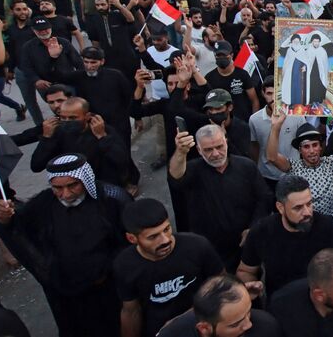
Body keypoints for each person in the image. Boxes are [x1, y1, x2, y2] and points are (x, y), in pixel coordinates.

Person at [0, 154, 131, 337]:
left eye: (72, 185)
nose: (65, 194)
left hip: (107, 292)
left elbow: (131, 243)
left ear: (84, 179)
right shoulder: (44, 203)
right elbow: (19, 230)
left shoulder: (111, 200)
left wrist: (106, 270)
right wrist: (5, 220)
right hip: (67, 297)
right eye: (57, 188)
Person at [114, 198, 224, 337]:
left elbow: (223, 287)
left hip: (201, 326)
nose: (165, 240)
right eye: (153, 237)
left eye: (166, 229)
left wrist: (183, 320)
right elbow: (131, 311)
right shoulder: (124, 265)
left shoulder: (197, 246)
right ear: (132, 239)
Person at [169, 124, 271, 271]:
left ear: (226, 142)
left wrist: (253, 228)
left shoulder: (246, 166)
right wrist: (180, 153)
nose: (216, 154)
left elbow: (264, 198)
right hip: (210, 250)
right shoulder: (192, 170)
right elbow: (175, 178)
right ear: (198, 150)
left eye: (219, 146)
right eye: (208, 150)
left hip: (244, 247)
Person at [236, 175, 333, 300]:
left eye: (309, 204)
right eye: (298, 208)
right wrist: (250, 286)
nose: (307, 212)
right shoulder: (261, 232)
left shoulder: (326, 226)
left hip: (324, 302)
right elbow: (246, 271)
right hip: (282, 305)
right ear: (280, 208)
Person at [267, 112, 333, 221]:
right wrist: (276, 127)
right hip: (304, 225)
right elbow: (272, 157)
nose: (312, 151)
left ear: (320, 147)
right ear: (300, 150)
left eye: (315, 145)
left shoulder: (331, 163)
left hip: (330, 226)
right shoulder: (293, 166)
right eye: (306, 147)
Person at [31, 96, 129, 187]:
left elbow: (121, 160)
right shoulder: (58, 133)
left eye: (73, 118)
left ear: (87, 116)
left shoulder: (103, 130)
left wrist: (102, 137)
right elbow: (36, 165)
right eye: (63, 118)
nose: (67, 121)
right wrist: (46, 138)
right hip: (71, 186)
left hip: (101, 185)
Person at [157, 274, 277, 337]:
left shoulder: (266, 328)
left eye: (248, 312)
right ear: (204, 328)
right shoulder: (172, 334)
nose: (248, 325)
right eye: (235, 324)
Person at [205, 40, 259, 121]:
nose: (221, 58)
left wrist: (254, 121)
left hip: (243, 121)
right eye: (218, 55)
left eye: (224, 55)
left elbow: (254, 101)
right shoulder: (209, 77)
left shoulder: (242, 74)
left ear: (231, 55)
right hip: (220, 122)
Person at [281, 34, 309, 106]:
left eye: (297, 41)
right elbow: (286, 62)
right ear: (292, 41)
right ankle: (290, 103)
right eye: (294, 41)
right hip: (290, 73)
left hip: (299, 73)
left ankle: (298, 103)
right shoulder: (289, 50)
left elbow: (306, 61)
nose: (296, 43)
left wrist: (305, 67)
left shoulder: (302, 50)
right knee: (290, 88)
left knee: (299, 88)